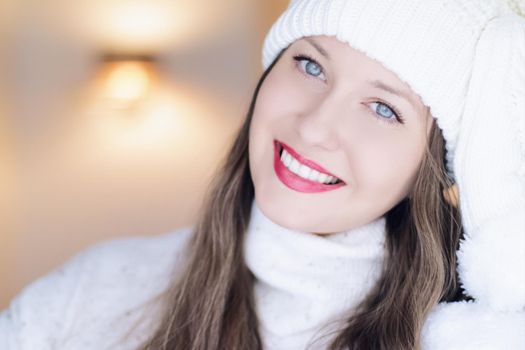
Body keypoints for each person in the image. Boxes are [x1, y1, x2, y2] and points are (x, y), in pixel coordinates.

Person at [1, 0, 524, 349]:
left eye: (384, 109)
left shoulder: (470, 338)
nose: (316, 126)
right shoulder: (93, 291)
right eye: (311, 66)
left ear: (438, 168)